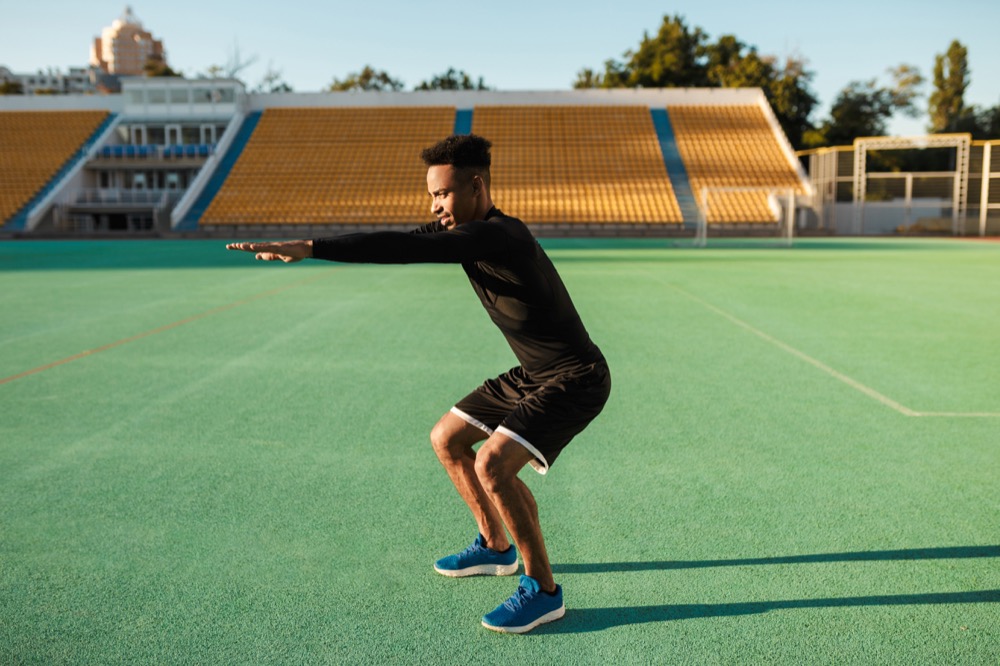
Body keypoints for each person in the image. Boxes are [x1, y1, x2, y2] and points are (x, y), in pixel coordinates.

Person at [227, 134, 611, 634]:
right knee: (447, 438)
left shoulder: (502, 235)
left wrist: (311, 247)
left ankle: (543, 591)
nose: (435, 206)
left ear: (477, 186)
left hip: (575, 378)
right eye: (432, 195)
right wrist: (317, 247)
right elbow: (399, 239)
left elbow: (407, 247)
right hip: (533, 374)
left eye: (443, 194)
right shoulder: (464, 230)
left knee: (492, 464)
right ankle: (496, 546)